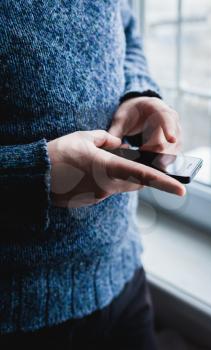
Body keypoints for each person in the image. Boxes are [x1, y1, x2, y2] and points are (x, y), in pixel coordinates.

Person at [0, 1, 185, 349]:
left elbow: (127, 31)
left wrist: (137, 93)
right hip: (14, 320)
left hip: (122, 280)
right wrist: (32, 175)